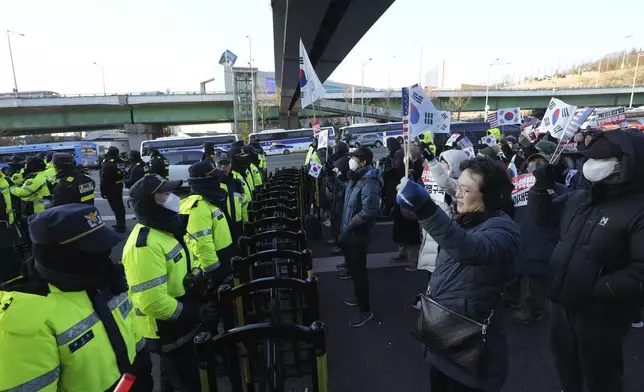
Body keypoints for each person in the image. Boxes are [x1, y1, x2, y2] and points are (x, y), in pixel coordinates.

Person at [529, 130, 644, 392]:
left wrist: (594, 288)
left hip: (601, 313)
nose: (592, 164)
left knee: (601, 375)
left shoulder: (638, 209)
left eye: (603, 159)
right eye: (590, 158)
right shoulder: (582, 197)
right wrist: (541, 187)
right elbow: (544, 219)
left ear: (628, 162)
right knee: (565, 365)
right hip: (562, 304)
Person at [396, 156, 519, 392]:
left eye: (465, 190)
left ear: (490, 197)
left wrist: (425, 207)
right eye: (457, 186)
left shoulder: (504, 231)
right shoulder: (467, 218)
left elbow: (469, 249)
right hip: (443, 340)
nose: (458, 194)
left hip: (469, 352)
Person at [0, 204, 153, 391]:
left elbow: (130, 328)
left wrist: (142, 365)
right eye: (94, 249)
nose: (105, 255)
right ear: (59, 255)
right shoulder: (26, 316)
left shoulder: (104, 279)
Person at [122, 174, 213, 392]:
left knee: (171, 380)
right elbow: (152, 302)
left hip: (179, 321)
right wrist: (193, 312)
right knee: (186, 383)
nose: (172, 197)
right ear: (148, 202)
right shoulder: (144, 245)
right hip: (167, 328)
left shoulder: (164, 230)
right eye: (164, 194)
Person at [510, 150, 569, 324]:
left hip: (543, 243)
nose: (535, 166)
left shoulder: (561, 190)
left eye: (540, 163)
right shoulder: (517, 186)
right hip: (521, 238)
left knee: (534, 281)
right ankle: (520, 304)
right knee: (522, 277)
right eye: (532, 162)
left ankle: (532, 312)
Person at [412, 146, 469, 308]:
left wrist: (432, 160)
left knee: (443, 273)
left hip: (446, 236)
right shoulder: (436, 180)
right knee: (432, 271)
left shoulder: (458, 186)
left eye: (445, 163)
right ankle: (432, 299)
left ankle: (437, 305)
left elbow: (444, 182)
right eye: (440, 162)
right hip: (432, 234)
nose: (441, 165)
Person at [334, 147, 382, 328]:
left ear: (363, 161)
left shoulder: (369, 181)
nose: (351, 161)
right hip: (349, 232)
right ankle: (357, 295)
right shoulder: (356, 178)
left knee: (359, 271)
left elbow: (369, 211)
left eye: (354, 158)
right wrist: (336, 177)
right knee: (354, 270)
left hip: (357, 234)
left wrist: (352, 223)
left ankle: (365, 310)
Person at [179, 161, 235, 278]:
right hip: (213, 268)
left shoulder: (208, 201)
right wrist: (214, 272)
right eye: (214, 176)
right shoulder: (198, 207)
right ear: (204, 181)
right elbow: (202, 245)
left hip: (223, 261)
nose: (217, 180)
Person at [325, 142, 350, 257]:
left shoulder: (343, 160)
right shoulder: (340, 159)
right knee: (335, 218)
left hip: (341, 194)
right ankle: (336, 240)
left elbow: (334, 175)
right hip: (337, 194)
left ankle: (341, 244)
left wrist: (330, 169)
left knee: (339, 220)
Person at [214, 151, 246, 240]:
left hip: (238, 226)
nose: (223, 167)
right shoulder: (212, 186)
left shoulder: (237, 183)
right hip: (222, 230)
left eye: (226, 163)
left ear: (231, 165)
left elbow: (243, 204)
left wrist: (245, 223)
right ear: (215, 164)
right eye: (220, 164)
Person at [100, 146, 127, 233]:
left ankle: (120, 226)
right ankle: (121, 223)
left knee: (116, 207)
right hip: (119, 185)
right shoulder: (121, 162)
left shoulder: (108, 164)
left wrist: (102, 191)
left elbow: (104, 179)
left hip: (110, 187)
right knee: (120, 206)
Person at [381, 137, 405, 219]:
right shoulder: (395, 152)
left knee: (390, 196)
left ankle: (387, 212)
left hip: (395, 179)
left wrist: (389, 166)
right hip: (394, 179)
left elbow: (397, 168)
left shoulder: (399, 153)